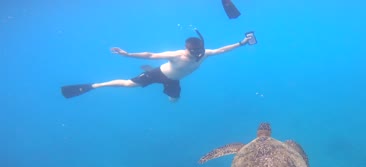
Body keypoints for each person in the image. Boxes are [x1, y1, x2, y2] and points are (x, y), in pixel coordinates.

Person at [61, 30, 253, 101]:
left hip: (174, 80)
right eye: (193, 52)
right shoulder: (177, 55)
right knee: (129, 85)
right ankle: (92, 86)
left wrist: (241, 43)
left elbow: (222, 50)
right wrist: (127, 54)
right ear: (187, 49)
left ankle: (159, 83)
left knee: (174, 101)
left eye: (199, 51)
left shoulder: (206, 53)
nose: (197, 55)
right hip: (159, 73)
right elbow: (151, 54)